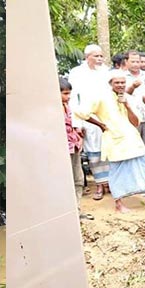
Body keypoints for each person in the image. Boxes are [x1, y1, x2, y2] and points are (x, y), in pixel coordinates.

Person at [74, 71, 145, 212]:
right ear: (111, 83)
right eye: (117, 82)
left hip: (133, 139)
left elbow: (135, 122)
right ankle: (119, 204)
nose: (120, 85)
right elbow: (81, 112)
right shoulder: (101, 97)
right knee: (117, 172)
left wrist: (127, 105)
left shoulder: (129, 98)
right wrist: (101, 125)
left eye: (123, 82)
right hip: (115, 140)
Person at [68, 43, 110, 201]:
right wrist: (76, 123)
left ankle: (109, 183)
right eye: (96, 56)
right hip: (86, 117)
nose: (99, 59)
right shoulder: (77, 73)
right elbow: (73, 99)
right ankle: (99, 184)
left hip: (104, 116)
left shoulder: (105, 72)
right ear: (87, 57)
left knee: (106, 149)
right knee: (93, 150)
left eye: (101, 56)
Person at [60, 77, 92, 220]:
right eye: (65, 93)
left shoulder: (68, 107)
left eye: (69, 93)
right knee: (67, 180)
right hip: (63, 148)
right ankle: (68, 212)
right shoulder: (54, 110)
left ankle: (76, 210)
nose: (68, 97)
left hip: (74, 146)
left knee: (78, 179)